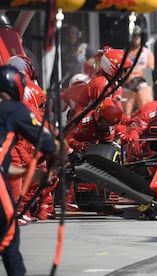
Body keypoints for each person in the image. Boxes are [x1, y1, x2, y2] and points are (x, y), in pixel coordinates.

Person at [0, 65, 59, 276]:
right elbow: (48, 145)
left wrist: (29, 174)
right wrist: (60, 147)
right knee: (9, 235)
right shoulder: (14, 109)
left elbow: (5, 166)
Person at [122, 25, 155, 117]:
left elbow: (149, 70)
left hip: (142, 84)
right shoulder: (125, 53)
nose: (136, 37)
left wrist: (138, 78)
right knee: (125, 113)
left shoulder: (147, 53)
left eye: (138, 35)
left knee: (147, 111)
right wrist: (130, 79)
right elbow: (122, 70)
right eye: (134, 35)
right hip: (128, 85)